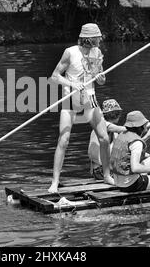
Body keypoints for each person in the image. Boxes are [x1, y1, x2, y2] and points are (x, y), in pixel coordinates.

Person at [48, 23, 114, 193]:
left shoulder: (97, 53)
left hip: (89, 100)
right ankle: (54, 182)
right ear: (89, 39)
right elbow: (54, 77)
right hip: (70, 101)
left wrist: (99, 75)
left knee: (104, 138)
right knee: (63, 140)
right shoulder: (70, 53)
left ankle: (107, 175)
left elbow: (101, 80)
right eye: (97, 37)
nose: (100, 39)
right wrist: (72, 83)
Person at [88, 99, 150, 180]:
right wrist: (147, 126)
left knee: (149, 158)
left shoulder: (113, 133)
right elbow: (125, 130)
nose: (118, 116)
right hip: (101, 172)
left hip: (101, 171)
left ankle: (145, 179)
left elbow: (129, 147)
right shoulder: (102, 125)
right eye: (116, 113)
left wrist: (147, 153)